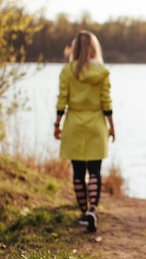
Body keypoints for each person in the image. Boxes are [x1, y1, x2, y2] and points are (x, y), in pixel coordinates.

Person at [54, 30, 115, 233]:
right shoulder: (102, 73)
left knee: (79, 173)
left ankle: (83, 214)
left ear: (75, 48)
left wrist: (57, 124)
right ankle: (92, 210)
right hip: (96, 125)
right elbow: (106, 101)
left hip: (74, 125)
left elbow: (62, 99)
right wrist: (112, 125)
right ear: (94, 48)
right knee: (95, 172)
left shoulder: (67, 71)